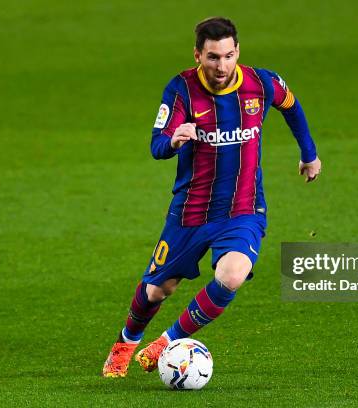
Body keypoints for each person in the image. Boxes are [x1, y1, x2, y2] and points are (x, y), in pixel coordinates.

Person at [102, 16, 321, 377]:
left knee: (232, 275)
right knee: (157, 291)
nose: (222, 65)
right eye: (213, 57)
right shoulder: (181, 90)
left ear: (238, 51)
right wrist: (174, 140)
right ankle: (125, 344)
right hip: (191, 212)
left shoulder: (261, 83)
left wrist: (309, 153)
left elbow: (292, 106)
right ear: (198, 55)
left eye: (229, 55)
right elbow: (156, 145)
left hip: (243, 208)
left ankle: (164, 344)